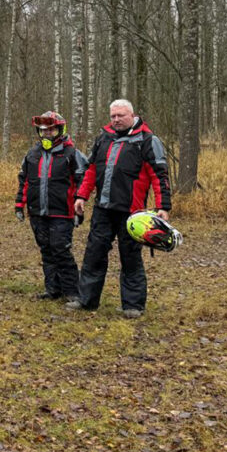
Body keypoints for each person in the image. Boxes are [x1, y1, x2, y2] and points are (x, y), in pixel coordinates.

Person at [69, 99, 171, 318]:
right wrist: (81, 196)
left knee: (130, 258)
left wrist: (163, 206)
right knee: (94, 254)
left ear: (132, 115)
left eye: (121, 116)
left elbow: (159, 175)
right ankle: (86, 300)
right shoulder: (103, 138)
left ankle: (133, 305)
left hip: (132, 213)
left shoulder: (148, 140)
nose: (116, 120)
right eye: (113, 116)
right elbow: (91, 170)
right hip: (103, 209)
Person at [15, 111, 87, 303]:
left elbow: (82, 181)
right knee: (46, 250)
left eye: (51, 130)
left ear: (60, 130)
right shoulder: (32, 154)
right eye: (43, 130)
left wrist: (79, 205)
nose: (47, 133)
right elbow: (24, 181)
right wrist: (19, 204)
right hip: (37, 211)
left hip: (62, 212)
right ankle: (52, 289)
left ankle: (72, 291)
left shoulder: (72, 153)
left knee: (61, 250)